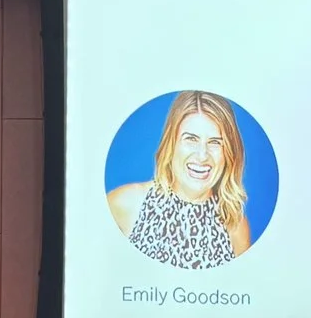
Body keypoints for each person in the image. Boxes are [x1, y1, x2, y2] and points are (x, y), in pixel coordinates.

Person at [107, 90, 254, 270]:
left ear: (229, 153)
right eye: (191, 139)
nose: (202, 156)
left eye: (215, 142)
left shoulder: (235, 225)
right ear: (171, 144)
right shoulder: (126, 203)